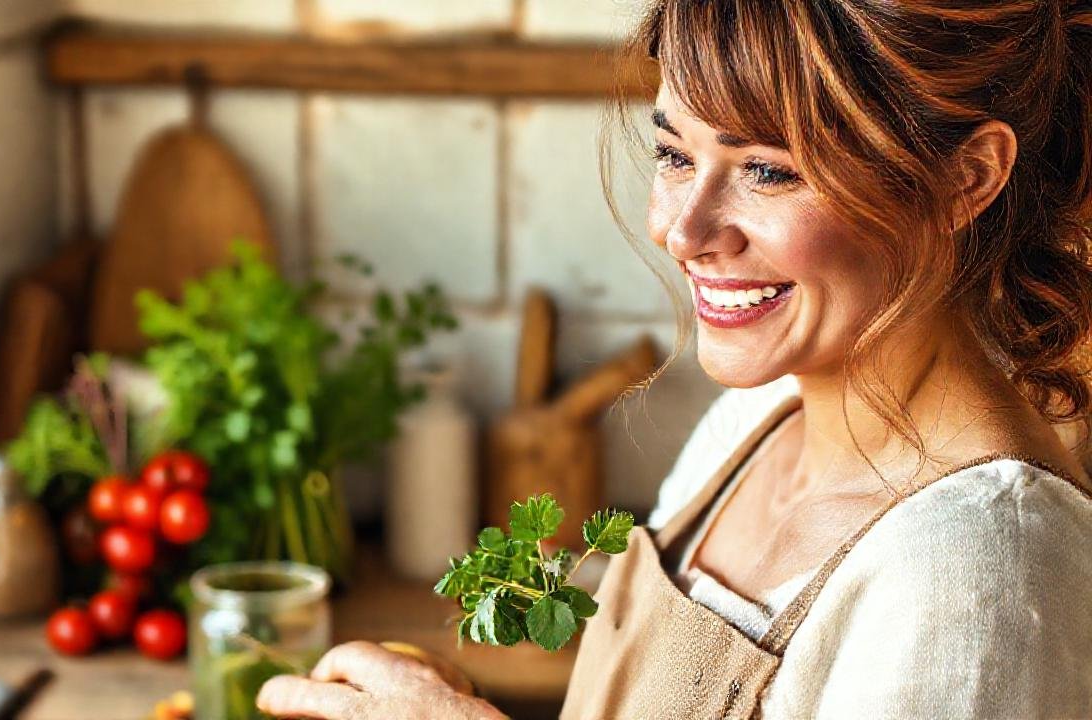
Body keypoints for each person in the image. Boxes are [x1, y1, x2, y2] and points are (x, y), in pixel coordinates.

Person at [256, 0, 1092, 717]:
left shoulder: (982, 570)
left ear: (966, 179)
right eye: (674, 154)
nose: (683, 232)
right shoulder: (751, 420)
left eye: (768, 170)